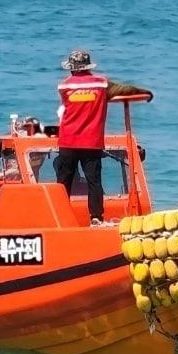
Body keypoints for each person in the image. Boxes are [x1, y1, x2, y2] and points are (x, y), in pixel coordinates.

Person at [53, 50, 151, 225]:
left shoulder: (64, 86)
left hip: (68, 140)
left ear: (71, 69)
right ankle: (96, 217)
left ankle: (58, 217)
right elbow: (125, 89)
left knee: (63, 183)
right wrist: (145, 92)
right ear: (88, 66)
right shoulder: (101, 85)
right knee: (94, 181)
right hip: (91, 142)